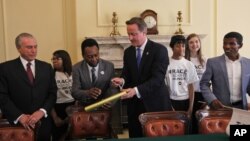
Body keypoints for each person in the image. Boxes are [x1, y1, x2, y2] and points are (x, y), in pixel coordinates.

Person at [111, 17, 172, 138]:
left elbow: (157, 80)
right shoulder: (128, 52)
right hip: (135, 107)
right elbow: (127, 74)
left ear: (144, 32)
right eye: (128, 34)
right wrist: (121, 80)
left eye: (133, 34)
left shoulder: (159, 50)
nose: (130, 38)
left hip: (155, 105)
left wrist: (135, 91)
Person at [0, 33, 57, 141]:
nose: (34, 50)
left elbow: (52, 93)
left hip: (43, 124)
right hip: (16, 125)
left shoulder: (46, 67)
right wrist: (20, 116)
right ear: (18, 48)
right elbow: (2, 97)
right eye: (29, 47)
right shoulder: (5, 68)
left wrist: (42, 111)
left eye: (35, 47)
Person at [71, 38, 119, 135]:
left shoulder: (109, 66)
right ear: (83, 55)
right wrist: (87, 93)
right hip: (85, 110)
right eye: (90, 56)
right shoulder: (77, 68)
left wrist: (110, 101)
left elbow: (113, 88)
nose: (94, 59)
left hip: (104, 109)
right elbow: (74, 91)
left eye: (96, 55)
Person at [200, 31, 250, 110]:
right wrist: (212, 100)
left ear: (240, 45)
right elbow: (203, 84)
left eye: (232, 43)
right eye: (225, 43)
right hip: (220, 108)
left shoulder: (248, 64)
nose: (227, 46)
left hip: (241, 108)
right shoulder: (213, 62)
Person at [165, 35, 198, 117]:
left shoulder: (189, 64)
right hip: (171, 100)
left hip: (186, 101)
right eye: (177, 46)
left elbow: (191, 87)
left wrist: (190, 108)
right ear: (172, 48)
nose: (181, 48)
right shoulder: (166, 64)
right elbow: (164, 87)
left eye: (183, 46)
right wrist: (169, 105)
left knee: (187, 128)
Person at [51, 50, 75, 141]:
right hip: (58, 107)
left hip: (73, 106)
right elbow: (48, 97)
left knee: (71, 135)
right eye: (53, 59)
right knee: (58, 135)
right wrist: (55, 117)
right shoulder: (51, 74)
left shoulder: (74, 72)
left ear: (65, 59)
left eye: (57, 58)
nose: (54, 61)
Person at [185, 33, 206, 133]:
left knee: (199, 122)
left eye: (197, 41)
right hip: (187, 95)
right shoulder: (184, 60)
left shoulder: (205, 60)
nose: (194, 44)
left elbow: (208, 80)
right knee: (189, 121)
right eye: (191, 42)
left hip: (201, 95)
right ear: (187, 45)